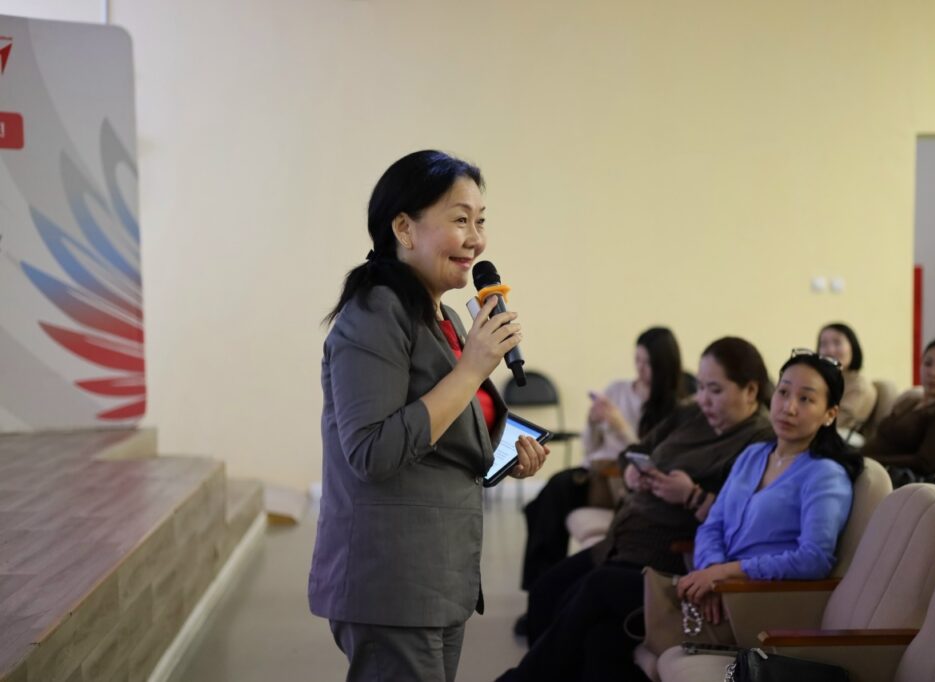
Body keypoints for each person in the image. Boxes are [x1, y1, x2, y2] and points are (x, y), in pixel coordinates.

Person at [307, 150, 549, 682]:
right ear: (404, 228)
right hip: (392, 580)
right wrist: (471, 369)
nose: (476, 239)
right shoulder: (375, 312)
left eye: (480, 221)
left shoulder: (444, 319)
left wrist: (505, 457)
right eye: (460, 220)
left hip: (439, 576)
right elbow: (373, 451)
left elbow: (446, 434)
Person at [496, 351, 861, 682]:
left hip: (754, 602)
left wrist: (725, 574)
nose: (789, 407)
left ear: (830, 414)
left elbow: (814, 558)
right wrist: (711, 572)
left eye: (806, 399)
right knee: (600, 637)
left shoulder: (824, 475)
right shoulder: (757, 456)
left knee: (600, 586)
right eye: (783, 392)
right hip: (715, 589)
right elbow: (714, 525)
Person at [522, 337, 775, 645]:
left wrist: (691, 496)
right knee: (545, 591)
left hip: (662, 553)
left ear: (751, 391)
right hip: (621, 539)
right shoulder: (692, 415)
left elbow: (742, 520)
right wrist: (631, 470)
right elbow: (636, 449)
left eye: (715, 390)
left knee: (576, 612)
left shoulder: (758, 442)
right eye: (701, 387)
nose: (704, 400)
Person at [517, 327, 687, 599]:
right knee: (546, 501)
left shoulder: (673, 407)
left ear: (665, 365)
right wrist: (593, 422)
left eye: (648, 363)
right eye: (637, 360)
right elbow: (590, 446)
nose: (640, 369)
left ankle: (541, 589)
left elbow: (650, 458)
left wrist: (620, 426)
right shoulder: (618, 389)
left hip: (618, 478)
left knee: (550, 497)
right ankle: (541, 588)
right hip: (595, 472)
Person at [861, 337, 935, 486]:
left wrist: (869, 461)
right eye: (927, 364)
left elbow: (924, 463)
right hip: (868, 467)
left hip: (885, 480)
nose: (933, 373)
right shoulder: (912, 401)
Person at [817, 322, 876, 435]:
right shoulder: (824, 382)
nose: (830, 351)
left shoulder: (858, 387)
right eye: (823, 344)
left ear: (852, 347)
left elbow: (834, 423)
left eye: (837, 342)